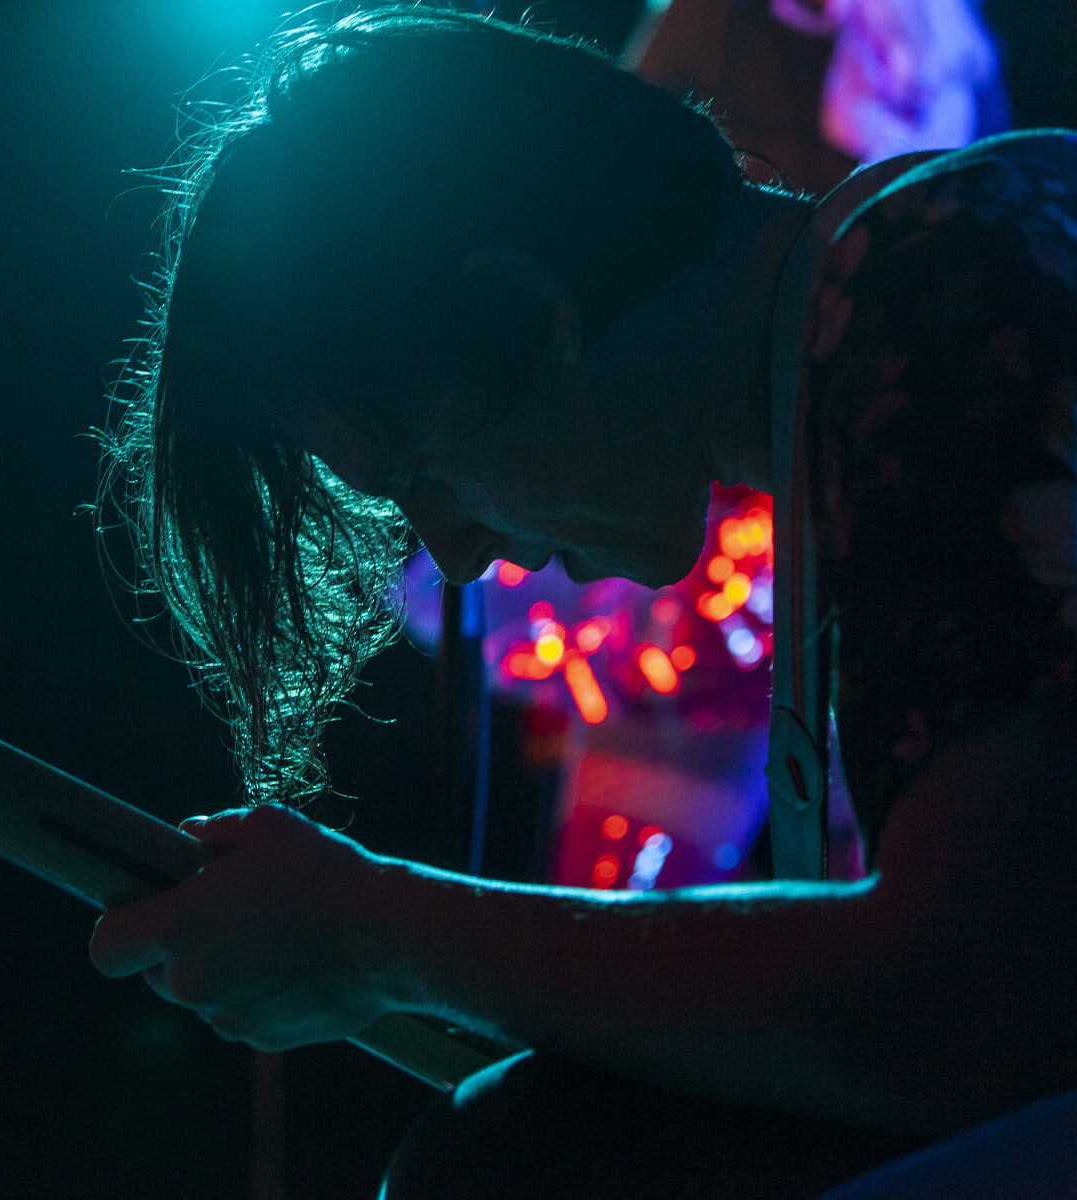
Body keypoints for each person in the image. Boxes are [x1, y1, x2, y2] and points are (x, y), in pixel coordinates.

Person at [90, 8, 1077, 1196]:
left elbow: (966, 1008)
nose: (453, 557)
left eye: (424, 477)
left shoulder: (933, 301)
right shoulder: (894, 310)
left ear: (530, 318)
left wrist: (378, 930)